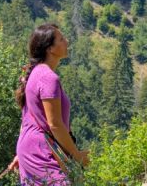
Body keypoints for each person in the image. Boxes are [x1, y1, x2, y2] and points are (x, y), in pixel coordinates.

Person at [7, 23, 90, 185]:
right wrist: (75, 154)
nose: (67, 41)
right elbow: (55, 124)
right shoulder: (48, 78)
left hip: (31, 148)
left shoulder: (36, 73)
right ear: (50, 48)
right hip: (40, 150)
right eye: (61, 39)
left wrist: (22, 151)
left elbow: (27, 118)